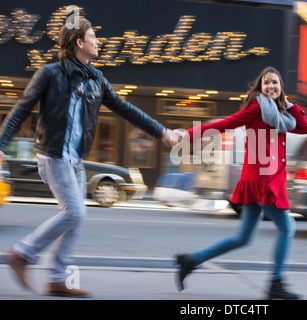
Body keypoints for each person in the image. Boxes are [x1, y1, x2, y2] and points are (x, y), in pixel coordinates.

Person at [0, 18, 179, 297]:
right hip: (52, 155)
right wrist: (2, 143)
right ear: (79, 43)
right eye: (93, 36)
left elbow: (125, 108)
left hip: (76, 159)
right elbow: (21, 110)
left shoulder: (96, 79)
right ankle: (22, 253)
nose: (98, 41)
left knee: (75, 217)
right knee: (73, 211)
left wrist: (161, 131)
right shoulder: (49, 74)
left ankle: (56, 278)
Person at [174, 66, 307, 299]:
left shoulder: (281, 115)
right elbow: (224, 124)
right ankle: (276, 283)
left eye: (275, 83)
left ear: (281, 88)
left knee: (243, 237)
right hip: (262, 180)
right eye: (266, 82)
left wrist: (287, 103)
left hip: (264, 178)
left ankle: (191, 260)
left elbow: (305, 127)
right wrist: (188, 135)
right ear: (260, 87)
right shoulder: (257, 108)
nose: (271, 86)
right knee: (288, 228)